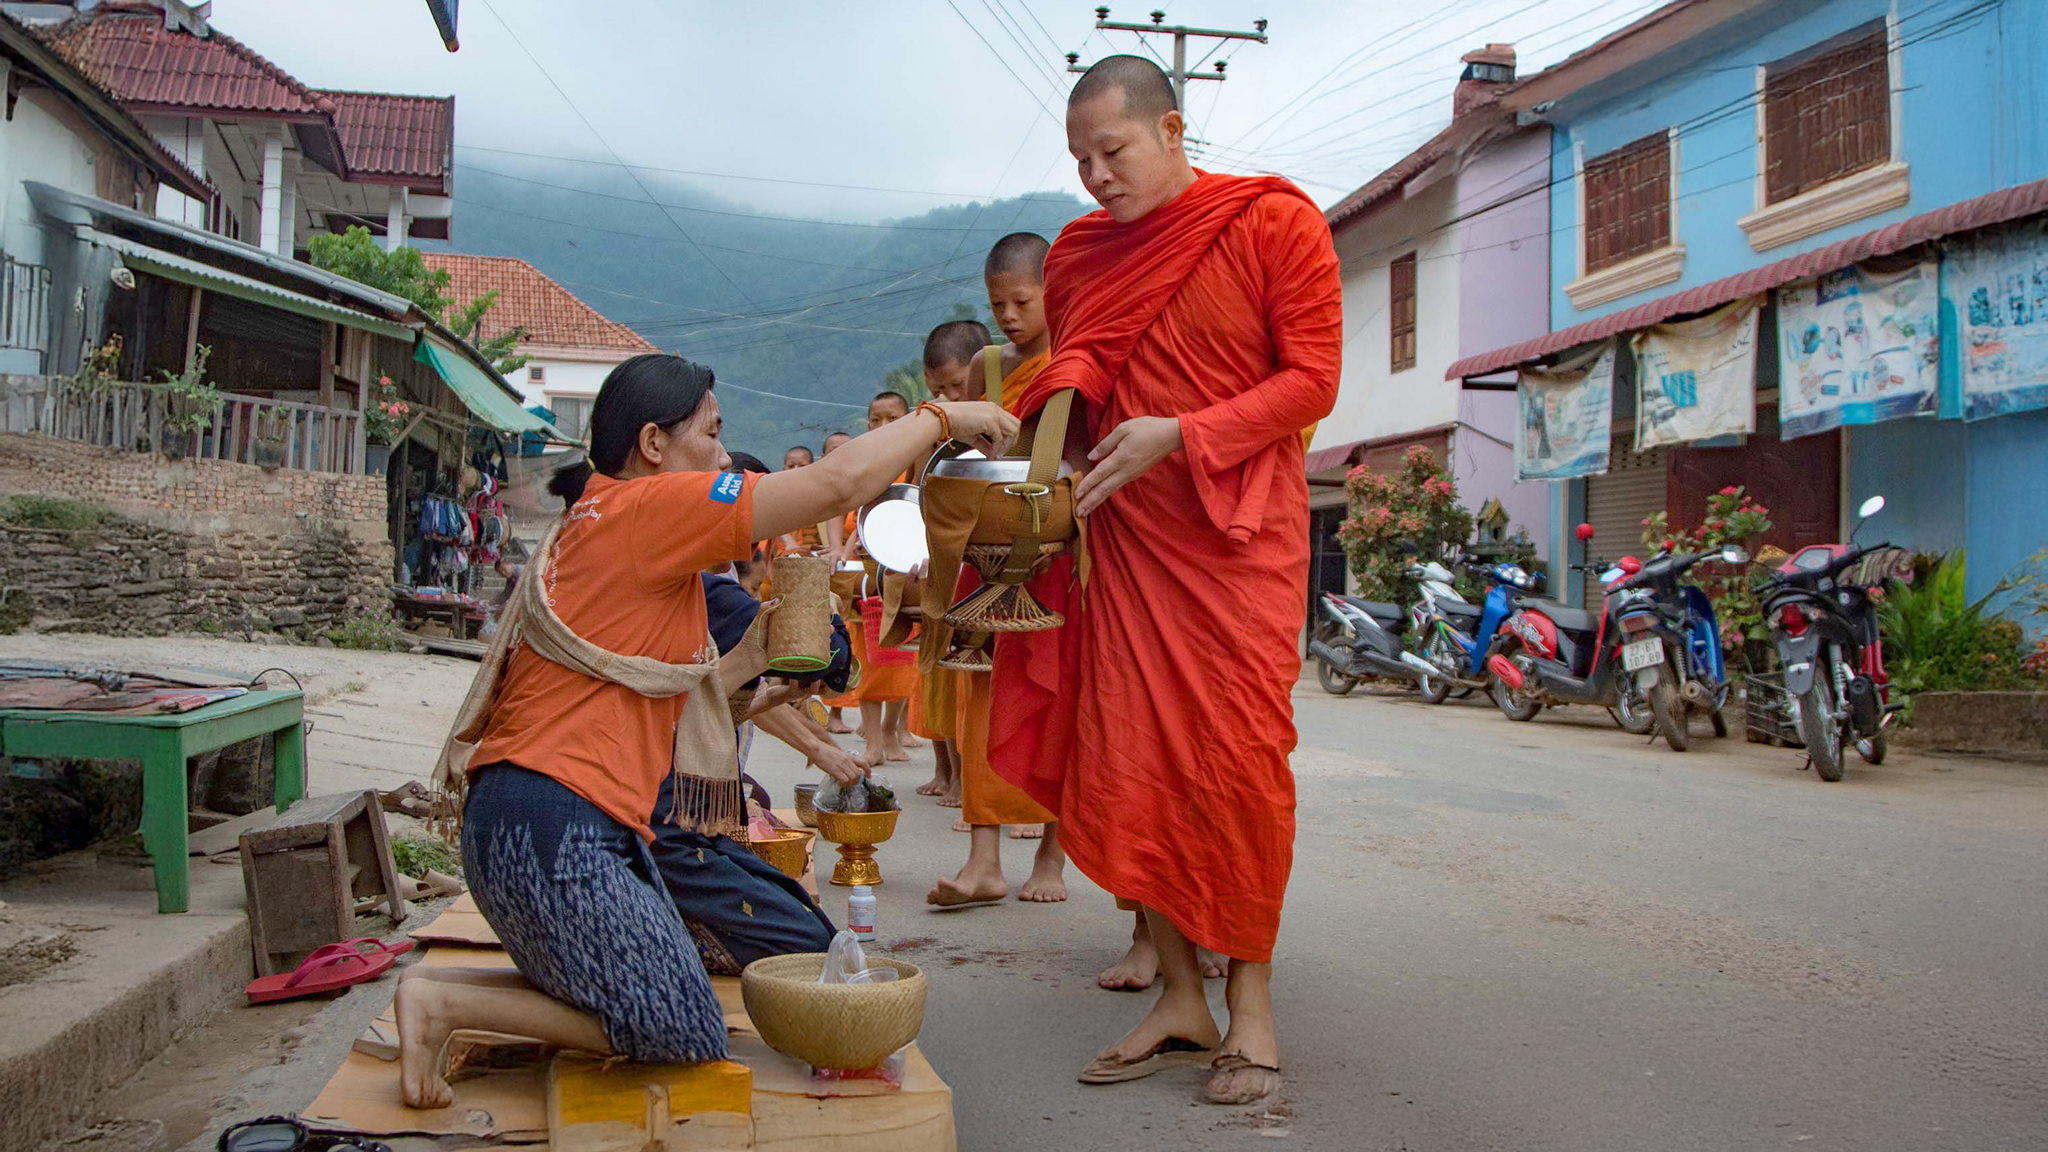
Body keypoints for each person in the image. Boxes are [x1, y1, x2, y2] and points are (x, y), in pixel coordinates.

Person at [398, 353, 1016, 1108]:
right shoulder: (647, 508)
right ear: (653, 444)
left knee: (679, 996)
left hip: (540, 819)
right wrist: (945, 417)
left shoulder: (598, 518)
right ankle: (444, 1004)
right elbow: (834, 485)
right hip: (551, 821)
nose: (724, 455)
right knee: (684, 1029)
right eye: (712, 433)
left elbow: (684, 698)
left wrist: (764, 670)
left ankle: (515, 992)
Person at [991, 56, 1340, 1105]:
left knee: (1236, 763)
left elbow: (1310, 381)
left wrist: (1184, 435)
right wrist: (1050, 416)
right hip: (1125, 541)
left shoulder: (1272, 225)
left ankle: (1254, 1010)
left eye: (1114, 151)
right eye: (1080, 160)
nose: (1097, 176)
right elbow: (1083, 366)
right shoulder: (1080, 255)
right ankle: (1180, 993)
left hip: (1236, 542)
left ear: (1174, 127)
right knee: (1131, 761)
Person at [927, 235, 1068, 907]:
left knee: (1053, 701)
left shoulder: (1075, 354)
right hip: (984, 548)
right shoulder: (987, 364)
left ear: (1052, 290)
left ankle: (1051, 855)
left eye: (1022, 300)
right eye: (996, 303)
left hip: (1055, 547)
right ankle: (983, 859)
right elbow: (968, 451)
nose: (1009, 316)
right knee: (979, 699)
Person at [908, 319, 990, 808]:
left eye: (957, 386)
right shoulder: (931, 428)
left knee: (986, 679)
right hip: (944, 568)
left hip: (990, 561)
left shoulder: (1000, 419)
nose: (950, 399)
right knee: (945, 675)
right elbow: (917, 494)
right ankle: (956, 774)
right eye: (938, 390)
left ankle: (993, 787)